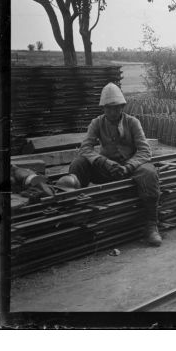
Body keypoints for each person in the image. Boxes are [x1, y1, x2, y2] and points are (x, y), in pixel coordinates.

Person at [68, 83, 162, 246]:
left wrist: (129, 166)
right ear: (103, 108)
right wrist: (102, 161)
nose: (113, 112)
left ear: (123, 107)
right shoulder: (97, 123)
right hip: (106, 168)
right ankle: (75, 212)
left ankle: (151, 225)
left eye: (117, 108)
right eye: (109, 108)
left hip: (132, 168)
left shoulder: (133, 122)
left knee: (149, 173)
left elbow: (145, 151)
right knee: (78, 164)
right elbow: (85, 148)